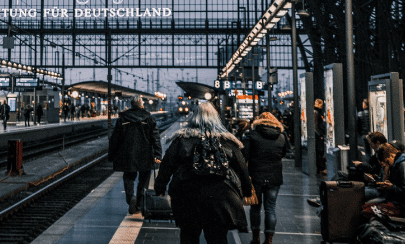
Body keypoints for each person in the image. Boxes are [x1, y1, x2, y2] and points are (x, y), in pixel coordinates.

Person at [155, 102, 252, 244]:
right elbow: (242, 168)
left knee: (189, 237)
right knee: (218, 238)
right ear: (216, 118)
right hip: (220, 197)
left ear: (194, 118)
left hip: (187, 195)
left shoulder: (182, 140)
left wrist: (160, 187)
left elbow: (166, 166)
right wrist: (247, 190)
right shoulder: (228, 141)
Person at [243, 111, 291, 244]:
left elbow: (245, 155)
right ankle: (269, 240)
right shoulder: (281, 136)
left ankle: (255, 237)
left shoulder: (251, 135)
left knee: (255, 208)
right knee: (270, 208)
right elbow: (283, 154)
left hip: (256, 176)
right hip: (274, 176)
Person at [108, 96, 162, 214]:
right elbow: (155, 138)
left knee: (128, 177)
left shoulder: (122, 118)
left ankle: (131, 198)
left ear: (131, 105)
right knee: (144, 179)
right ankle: (139, 203)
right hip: (145, 154)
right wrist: (158, 154)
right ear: (142, 105)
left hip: (127, 154)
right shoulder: (149, 118)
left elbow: (115, 139)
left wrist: (111, 154)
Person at [363, 143, 405, 220]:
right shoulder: (398, 165)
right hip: (400, 203)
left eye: (387, 161)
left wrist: (391, 187)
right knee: (365, 207)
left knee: (368, 211)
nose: (387, 164)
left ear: (392, 155)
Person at [314, 98, 327, 175]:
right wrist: (320, 135)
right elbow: (316, 126)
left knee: (319, 152)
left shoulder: (315, 112)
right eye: (321, 104)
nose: (322, 106)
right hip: (318, 136)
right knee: (319, 152)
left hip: (317, 135)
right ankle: (321, 168)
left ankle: (320, 168)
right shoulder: (317, 112)